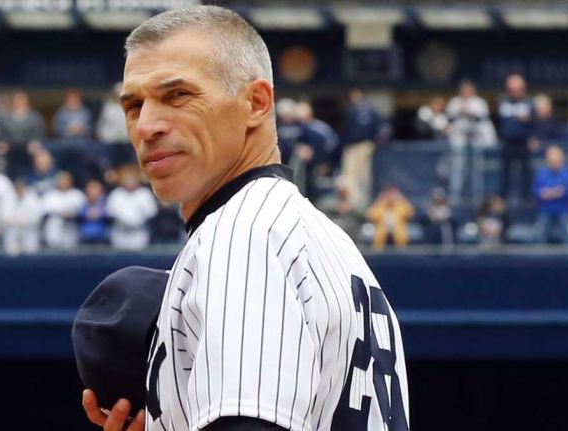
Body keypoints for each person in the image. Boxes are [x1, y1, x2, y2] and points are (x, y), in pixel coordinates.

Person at [80, 6, 408, 431]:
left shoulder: (243, 234)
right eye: (134, 105)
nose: (147, 126)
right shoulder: (323, 238)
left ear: (256, 103)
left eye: (177, 95)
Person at [445, 80, 497, 206]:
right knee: (457, 168)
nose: (466, 92)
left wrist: (469, 112)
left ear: (473, 91)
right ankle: (455, 197)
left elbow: (483, 119)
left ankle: (477, 197)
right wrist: (459, 111)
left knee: (476, 169)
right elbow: (449, 119)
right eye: (464, 90)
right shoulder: (454, 102)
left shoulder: (479, 102)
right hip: (459, 138)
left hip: (476, 138)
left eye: (468, 90)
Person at [339, 87, 383, 211]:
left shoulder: (354, 109)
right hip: (365, 145)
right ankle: (361, 202)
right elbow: (377, 128)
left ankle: (354, 203)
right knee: (363, 175)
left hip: (355, 146)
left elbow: (346, 128)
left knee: (352, 174)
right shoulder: (371, 108)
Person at [498, 73, 535, 203]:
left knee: (526, 171)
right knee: (505, 172)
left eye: (517, 89)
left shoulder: (529, 102)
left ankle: (526, 198)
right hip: (508, 141)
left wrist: (532, 136)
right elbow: (503, 123)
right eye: (511, 89)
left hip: (523, 142)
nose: (514, 92)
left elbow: (534, 122)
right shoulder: (504, 102)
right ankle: (502, 199)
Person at [532, 145, 568, 243]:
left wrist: (561, 192)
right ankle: (539, 252)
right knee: (539, 235)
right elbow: (535, 191)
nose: (553, 163)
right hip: (545, 210)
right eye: (551, 161)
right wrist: (546, 193)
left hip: (563, 210)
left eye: (555, 160)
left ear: (561, 160)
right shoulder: (541, 174)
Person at [0, 91, 45, 179]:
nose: (19, 102)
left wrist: (35, 143)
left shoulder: (34, 116)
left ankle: (30, 180)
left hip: (27, 148)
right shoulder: (5, 117)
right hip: (10, 148)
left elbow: (38, 133)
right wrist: (2, 142)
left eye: (21, 100)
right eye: (17, 100)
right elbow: (0, 132)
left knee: (37, 153)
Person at [105, 165, 158, 251]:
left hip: (139, 233)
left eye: (131, 178)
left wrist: (137, 221)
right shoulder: (116, 194)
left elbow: (151, 213)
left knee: (140, 256)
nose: (129, 181)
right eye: (127, 178)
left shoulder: (144, 193)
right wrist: (124, 221)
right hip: (120, 233)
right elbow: (110, 213)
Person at [41, 171, 86, 249]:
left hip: (72, 227)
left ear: (70, 181)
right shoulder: (50, 195)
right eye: (61, 180)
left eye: (66, 180)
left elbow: (82, 210)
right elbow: (45, 212)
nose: (63, 183)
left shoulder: (77, 194)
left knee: (71, 250)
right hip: (54, 227)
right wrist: (61, 213)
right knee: (53, 249)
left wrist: (70, 213)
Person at [366, 185, 416, 250]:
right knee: (378, 238)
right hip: (382, 230)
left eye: (392, 195)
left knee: (401, 237)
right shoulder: (380, 205)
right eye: (388, 195)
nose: (390, 197)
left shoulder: (400, 205)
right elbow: (371, 216)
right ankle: (377, 252)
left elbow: (410, 213)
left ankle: (401, 251)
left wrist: (402, 199)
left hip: (398, 230)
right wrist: (379, 200)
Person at [2, 179, 43, 255]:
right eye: (17, 189)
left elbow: (37, 218)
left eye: (21, 189)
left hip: (29, 234)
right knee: (12, 254)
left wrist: (21, 220)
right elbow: (4, 217)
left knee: (30, 255)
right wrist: (16, 220)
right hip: (13, 235)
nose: (19, 191)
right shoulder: (8, 198)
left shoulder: (32, 198)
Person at [77, 179, 109, 244]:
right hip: (84, 237)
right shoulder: (81, 202)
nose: (93, 193)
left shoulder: (106, 203)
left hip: (102, 238)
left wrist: (99, 213)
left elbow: (109, 215)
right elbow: (78, 215)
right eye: (91, 190)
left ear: (101, 192)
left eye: (96, 190)